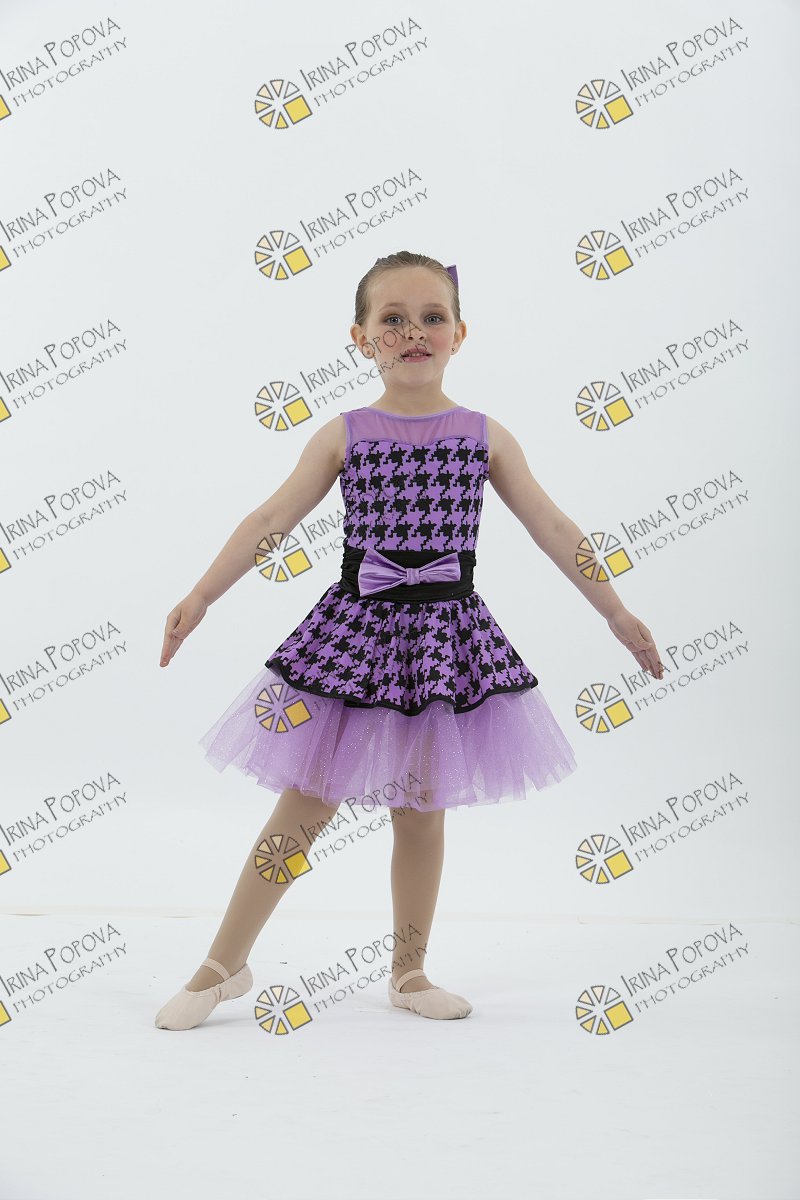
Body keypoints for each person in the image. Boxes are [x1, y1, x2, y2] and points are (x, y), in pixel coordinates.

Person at [154, 250, 665, 1030]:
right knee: (305, 803)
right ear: (360, 338)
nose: (414, 332)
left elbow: (553, 526)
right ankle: (223, 963)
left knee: (422, 808)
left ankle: (410, 969)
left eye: (432, 317)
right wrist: (201, 595)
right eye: (392, 319)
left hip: (442, 641)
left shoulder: (484, 435)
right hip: (354, 636)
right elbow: (270, 519)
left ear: (460, 332)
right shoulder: (346, 433)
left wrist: (615, 612)